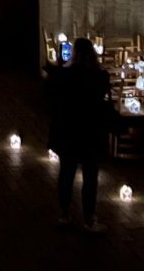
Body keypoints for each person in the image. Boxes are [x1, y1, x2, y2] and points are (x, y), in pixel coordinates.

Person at [44, 37, 113, 231]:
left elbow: (51, 95)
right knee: (90, 177)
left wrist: (58, 66)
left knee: (66, 173)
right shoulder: (99, 77)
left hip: (69, 132)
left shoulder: (65, 76)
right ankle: (89, 218)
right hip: (91, 133)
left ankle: (65, 214)